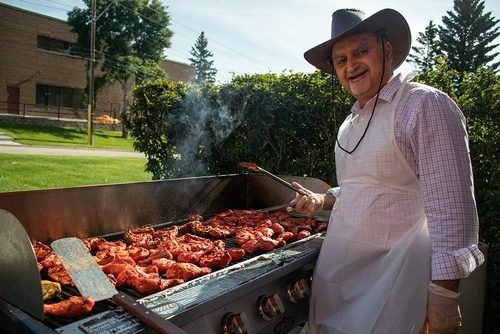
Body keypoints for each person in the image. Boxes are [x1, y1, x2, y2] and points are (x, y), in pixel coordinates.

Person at [291, 8, 485, 334]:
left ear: (387, 50)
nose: (350, 66)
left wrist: (443, 295)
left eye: (360, 51)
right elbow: (365, 188)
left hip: (396, 284)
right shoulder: (350, 124)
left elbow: (451, 205)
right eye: (340, 60)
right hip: (339, 279)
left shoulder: (424, 104)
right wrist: (322, 199)